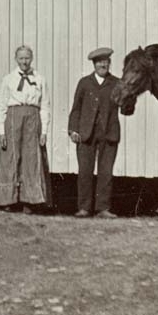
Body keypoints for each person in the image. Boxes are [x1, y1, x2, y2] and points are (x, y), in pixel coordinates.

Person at [0, 45, 52, 213]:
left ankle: (30, 200)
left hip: (33, 118)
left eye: (27, 58)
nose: (24, 61)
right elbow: (1, 106)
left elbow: (45, 106)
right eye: (21, 58)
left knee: (31, 157)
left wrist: (44, 131)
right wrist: (1, 131)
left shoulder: (40, 79)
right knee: (11, 156)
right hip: (13, 117)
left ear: (31, 58)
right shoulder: (8, 79)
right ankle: (8, 200)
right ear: (16, 59)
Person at [68, 47, 121, 218]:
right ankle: (84, 208)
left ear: (109, 63)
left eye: (106, 61)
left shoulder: (117, 83)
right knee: (85, 171)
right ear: (94, 64)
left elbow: (127, 104)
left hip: (109, 133)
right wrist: (73, 129)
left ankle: (103, 208)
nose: (103, 65)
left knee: (106, 172)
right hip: (86, 133)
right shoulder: (84, 83)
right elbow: (76, 109)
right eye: (99, 62)